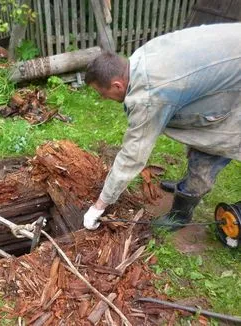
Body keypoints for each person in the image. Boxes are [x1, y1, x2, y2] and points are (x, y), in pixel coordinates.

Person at [83, 23, 241, 231]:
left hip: (234, 82)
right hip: (227, 57)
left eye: (103, 94)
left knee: (213, 143)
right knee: (198, 124)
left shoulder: (149, 95)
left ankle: (180, 214)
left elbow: (133, 155)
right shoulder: (141, 57)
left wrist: (100, 205)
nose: (103, 99)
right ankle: (184, 187)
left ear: (117, 85)